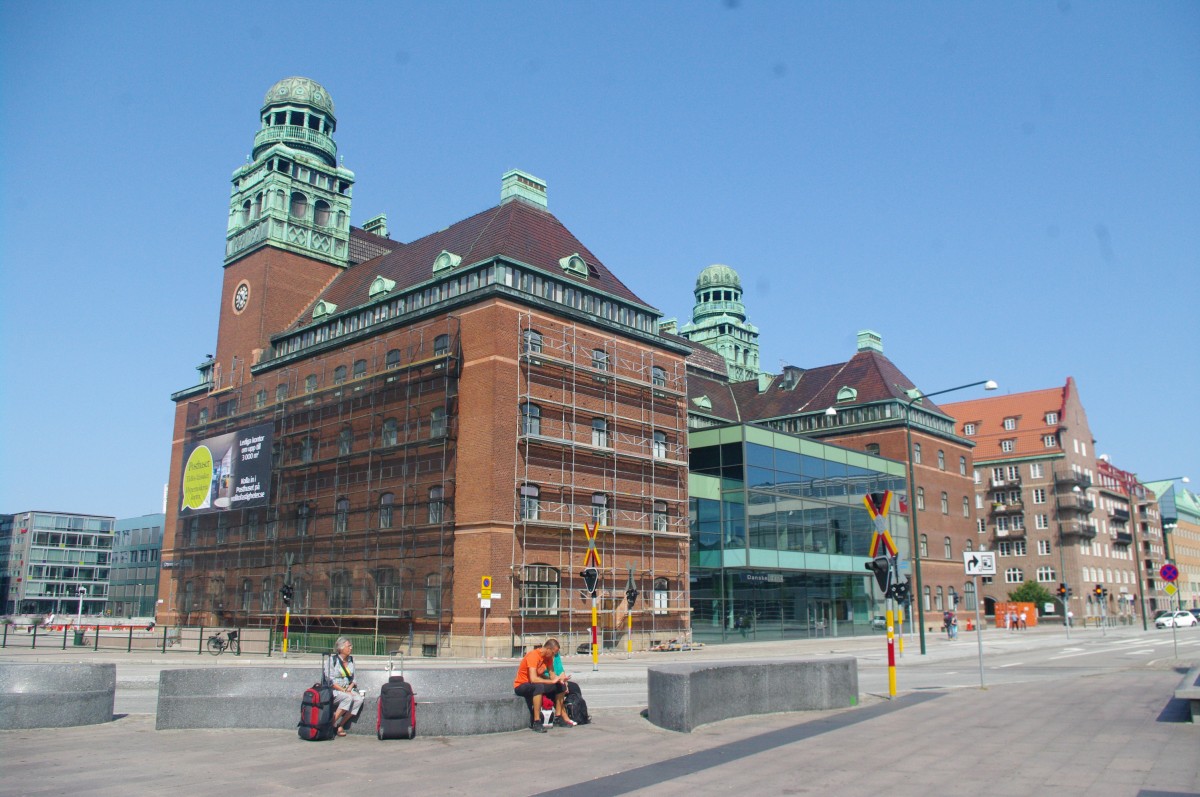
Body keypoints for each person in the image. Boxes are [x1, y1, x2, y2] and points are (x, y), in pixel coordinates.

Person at [513, 639, 568, 733]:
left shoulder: (548, 658)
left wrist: (560, 680)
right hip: (522, 685)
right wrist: (551, 682)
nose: (554, 656)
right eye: (553, 653)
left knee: (561, 686)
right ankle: (537, 721)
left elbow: (552, 675)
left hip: (535, 684)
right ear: (548, 649)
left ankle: (558, 717)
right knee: (538, 687)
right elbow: (533, 679)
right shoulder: (533, 656)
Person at [324, 637, 364, 737]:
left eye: (351, 646)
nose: (351, 648)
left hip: (347, 688)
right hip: (335, 690)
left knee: (358, 699)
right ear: (341, 648)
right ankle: (329, 724)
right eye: (348, 646)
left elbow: (354, 678)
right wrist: (344, 690)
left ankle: (340, 724)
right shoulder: (331, 660)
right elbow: (330, 681)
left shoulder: (351, 660)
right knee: (348, 697)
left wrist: (350, 687)